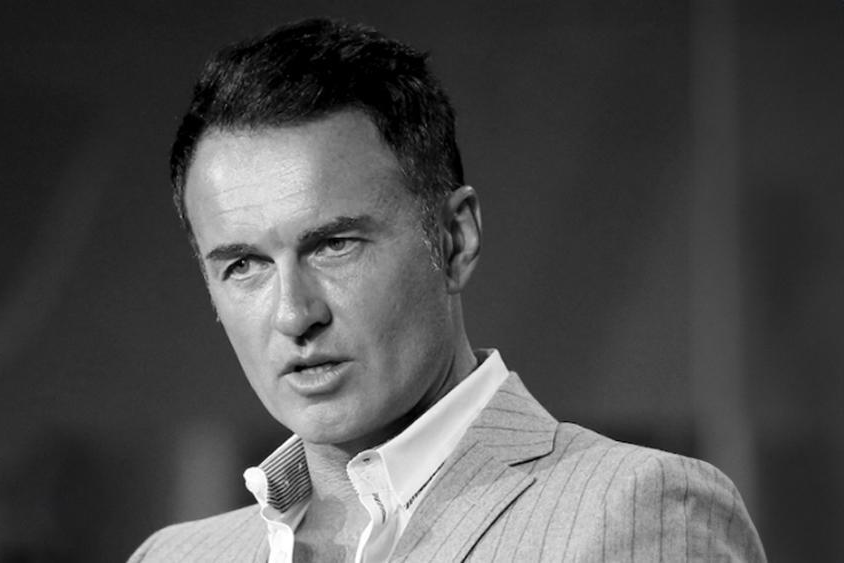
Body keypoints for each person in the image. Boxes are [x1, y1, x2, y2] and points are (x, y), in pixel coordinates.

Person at [128, 18, 765, 563]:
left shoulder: (641, 510)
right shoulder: (173, 556)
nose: (295, 314)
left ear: (455, 240)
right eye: (244, 265)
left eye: (334, 245)